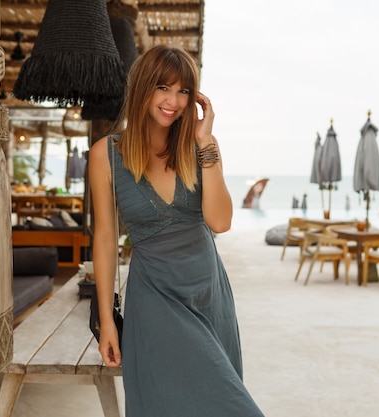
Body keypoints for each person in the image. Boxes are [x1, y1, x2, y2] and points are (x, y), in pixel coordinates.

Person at [89, 45, 264, 417]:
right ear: (143, 88)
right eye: (164, 88)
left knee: (222, 403)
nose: (174, 100)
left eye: (184, 91)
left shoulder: (198, 149)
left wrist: (206, 143)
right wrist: (107, 320)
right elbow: (104, 239)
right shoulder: (106, 154)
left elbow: (220, 222)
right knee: (162, 401)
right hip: (154, 297)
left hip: (208, 293)